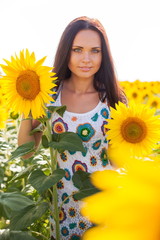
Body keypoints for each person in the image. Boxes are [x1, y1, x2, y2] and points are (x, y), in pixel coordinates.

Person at [18, 16, 127, 240]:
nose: (86, 59)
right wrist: (27, 101)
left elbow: (119, 162)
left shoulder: (113, 100)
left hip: (103, 209)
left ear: (103, 54)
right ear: (66, 51)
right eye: (78, 49)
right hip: (62, 212)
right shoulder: (49, 97)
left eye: (95, 51)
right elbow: (27, 151)